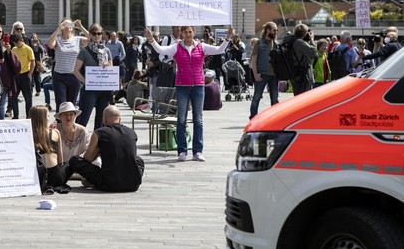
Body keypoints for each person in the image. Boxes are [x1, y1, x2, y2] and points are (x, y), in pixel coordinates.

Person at [146, 25, 234, 162]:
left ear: (194, 33)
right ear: (182, 34)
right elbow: (160, 50)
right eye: (185, 32)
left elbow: (219, 50)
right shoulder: (176, 47)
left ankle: (197, 151)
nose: (188, 34)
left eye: (190, 32)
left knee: (198, 119)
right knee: (181, 119)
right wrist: (151, 40)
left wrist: (228, 37)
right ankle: (182, 150)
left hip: (198, 85)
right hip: (182, 86)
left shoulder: (201, 46)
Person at [68, 105, 144, 192]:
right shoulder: (132, 132)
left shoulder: (99, 133)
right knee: (139, 160)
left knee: (75, 160)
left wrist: (99, 150)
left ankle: (93, 180)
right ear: (120, 119)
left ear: (105, 119)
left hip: (109, 184)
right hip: (133, 184)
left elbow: (87, 158)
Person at [73, 23, 113, 131]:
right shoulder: (84, 51)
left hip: (103, 88)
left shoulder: (107, 51)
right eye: (94, 33)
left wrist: (107, 66)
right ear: (89, 35)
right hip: (90, 89)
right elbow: (75, 70)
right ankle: (78, 143)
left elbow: (111, 69)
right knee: (83, 118)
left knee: (101, 120)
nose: (97, 36)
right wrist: (85, 81)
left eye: (99, 33)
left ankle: (98, 144)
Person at [46, 18, 89, 113]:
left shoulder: (77, 40)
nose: (68, 26)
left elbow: (93, 39)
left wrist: (81, 27)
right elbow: (49, 44)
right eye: (66, 24)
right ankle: (59, 125)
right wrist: (58, 29)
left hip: (74, 76)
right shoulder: (57, 40)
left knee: (71, 105)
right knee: (61, 104)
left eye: (70, 24)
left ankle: (69, 126)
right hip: (59, 76)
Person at [30, 105, 68, 187]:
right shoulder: (55, 133)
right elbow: (60, 160)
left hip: (37, 178)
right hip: (55, 177)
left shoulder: (28, 135)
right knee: (71, 162)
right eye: (48, 116)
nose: (49, 118)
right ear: (44, 119)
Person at [249, 22, 279, 119]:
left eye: (276, 30)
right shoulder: (259, 43)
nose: (276, 32)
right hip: (262, 74)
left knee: (274, 99)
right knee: (256, 97)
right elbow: (253, 59)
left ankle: (275, 118)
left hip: (274, 75)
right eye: (274, 30)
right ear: (268, 30)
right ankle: (253, 117)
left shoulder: (276, 43)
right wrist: (255, 74)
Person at [289, 24, 317, 95]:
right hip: (302, 76)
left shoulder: (294, 41)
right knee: (304, 98)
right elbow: (313, 52)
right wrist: (312, 40)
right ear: (304, 33)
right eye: (307, 32)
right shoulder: (299, 42)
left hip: (298, 73)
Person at [11, 33, 35, 119]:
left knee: (28, 97)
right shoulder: (13, 49)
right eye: (15, 43)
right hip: (16, 75)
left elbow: (33, 62)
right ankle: (15, 115)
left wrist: (29, 74)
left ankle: (28, 116)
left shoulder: (28, 49)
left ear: (22, 41)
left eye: (18, 43)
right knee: (14, 96)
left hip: (26, 74)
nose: (16, 45)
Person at [30, 33, 44, 97]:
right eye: (32, 37)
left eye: (35, 37)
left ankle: (38, 90)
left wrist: (41, 61)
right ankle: (30, 91)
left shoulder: (39, 46)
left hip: (37, 63)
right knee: (30, 78)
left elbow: (42, 53)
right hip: (30, 63)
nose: (34, 39)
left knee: (37, 78)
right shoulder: (29, 45)